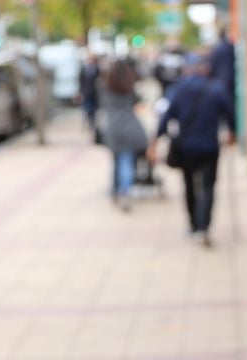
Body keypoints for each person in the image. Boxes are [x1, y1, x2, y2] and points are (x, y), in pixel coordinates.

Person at [153, 57, 233, 246]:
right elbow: (230, 114)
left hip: (186, 147)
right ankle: (204, 226)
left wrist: (156, 139)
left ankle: (194, 224)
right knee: (208, 186)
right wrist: (232, 133)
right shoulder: (216, 89)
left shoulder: (179, 90)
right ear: (204, 69)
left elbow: (166, 117)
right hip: (209, 147)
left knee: (189, 185)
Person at [98, 57, 149, 212]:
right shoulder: (129, 86)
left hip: (112, 126)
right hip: (129, 125)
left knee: (116, 160)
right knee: (126, 161)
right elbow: (138, 102)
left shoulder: (104, 86)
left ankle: (115, 190)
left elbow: (101, 104)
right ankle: (124, 191)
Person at [79, 51, 102, 144]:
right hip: (86, 93)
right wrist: (80, 93)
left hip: (95, 94)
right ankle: (89, 123)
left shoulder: (97, 69)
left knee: (93, 111)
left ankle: (92, 124)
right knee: (87, 110)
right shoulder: (83, 69)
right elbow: (80, 81)